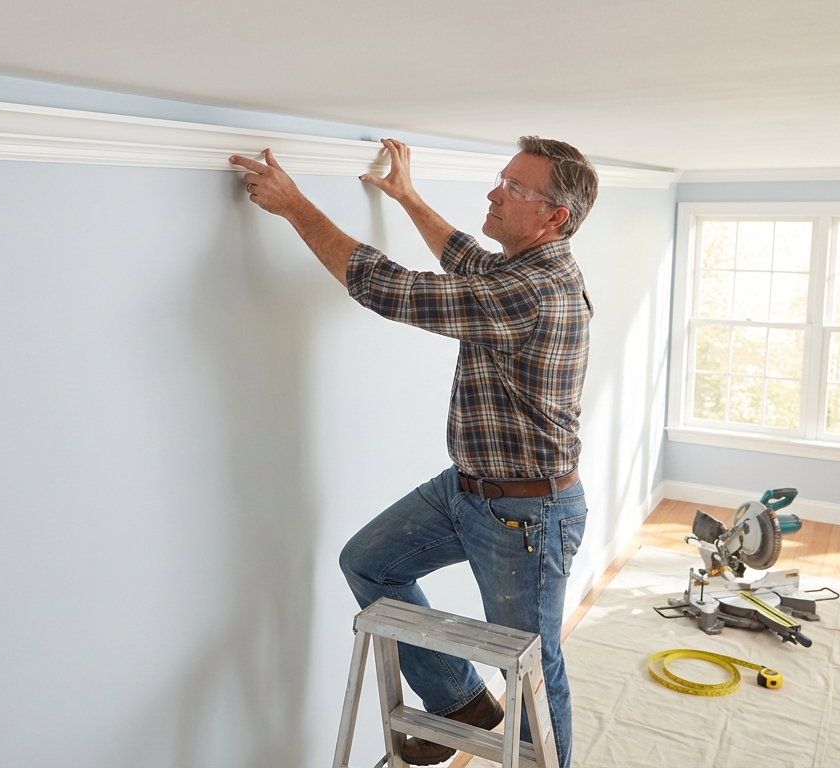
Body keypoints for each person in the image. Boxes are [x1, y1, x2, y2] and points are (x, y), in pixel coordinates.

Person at [230, 136, 597, 768]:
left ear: (553, 217)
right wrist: (406, 197)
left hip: (527, 517)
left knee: (534, 670)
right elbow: (466, 259)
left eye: (514, 188)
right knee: (368, 563)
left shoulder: (534, 290)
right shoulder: (517, 270)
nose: (493, 192)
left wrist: (295, 207)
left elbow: (389, 289)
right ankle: (459, 702)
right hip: (467, 489)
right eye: (500, 179)